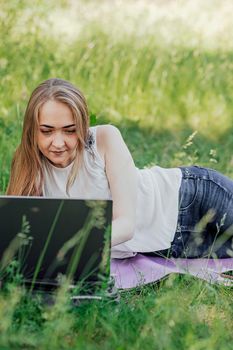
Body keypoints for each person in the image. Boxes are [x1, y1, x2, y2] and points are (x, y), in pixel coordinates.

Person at [7, 78, 233, 259]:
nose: (58, 142)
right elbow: (18, 234)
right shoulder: (28, 163)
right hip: (171, 245)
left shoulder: (105, 138)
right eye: (47, 131)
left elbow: (125, 224)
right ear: (32, 130)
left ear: (83, 126)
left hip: (192, 197)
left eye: (69, 130)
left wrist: (68, 249)